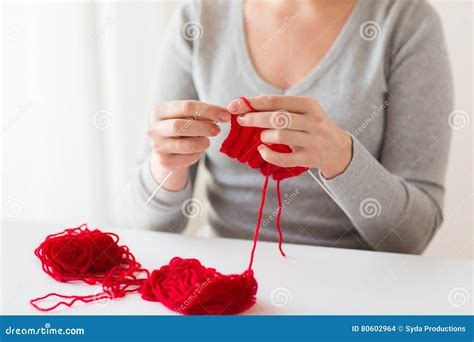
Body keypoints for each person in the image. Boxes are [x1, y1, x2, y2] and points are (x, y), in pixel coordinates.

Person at [127, 0, 453, 254]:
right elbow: (149, 226)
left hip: (357, 288)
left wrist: (341, 158)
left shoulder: (406, 21)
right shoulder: (199, 17)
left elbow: (412, 236)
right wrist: (165, 166)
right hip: (227, 285)